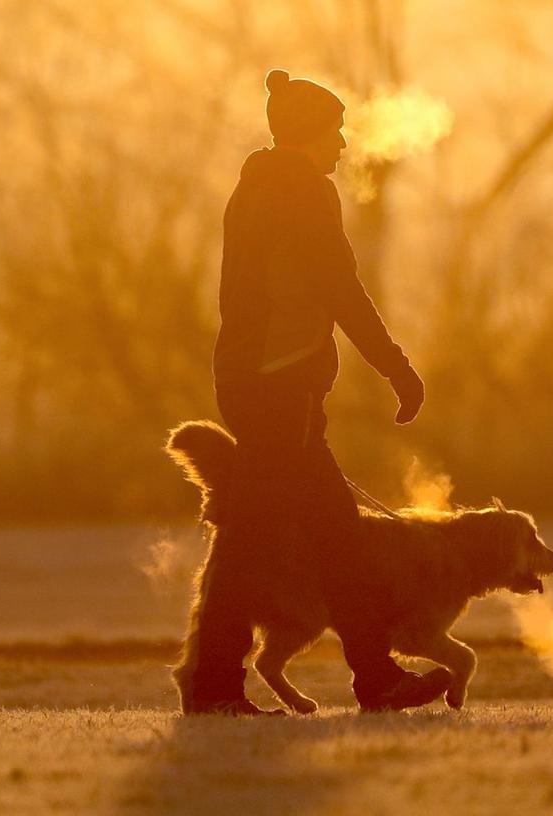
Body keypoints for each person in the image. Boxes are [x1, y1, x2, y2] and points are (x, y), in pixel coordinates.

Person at [183, 68, 450, 715]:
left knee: (316, 538)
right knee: (291, 540)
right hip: (282, 393)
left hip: (250, 383)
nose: (342, 147)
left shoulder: (251, 190)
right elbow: (342, 291)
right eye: (335, 133)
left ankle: (354, 678)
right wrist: (396, 367)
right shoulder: (303, 192)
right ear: (310, 134)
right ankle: (220, 684)